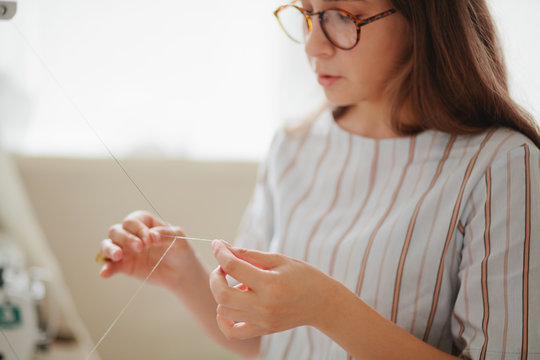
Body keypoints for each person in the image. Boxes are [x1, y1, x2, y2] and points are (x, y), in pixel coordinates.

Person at [97, 0, 540, 358]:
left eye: (340, 17)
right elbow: (263, 340)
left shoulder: (502, 165)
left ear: (423, 19)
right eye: (308, 13)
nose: (312, 46)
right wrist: (185, 277)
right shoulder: (293, 146)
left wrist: (327, 308)